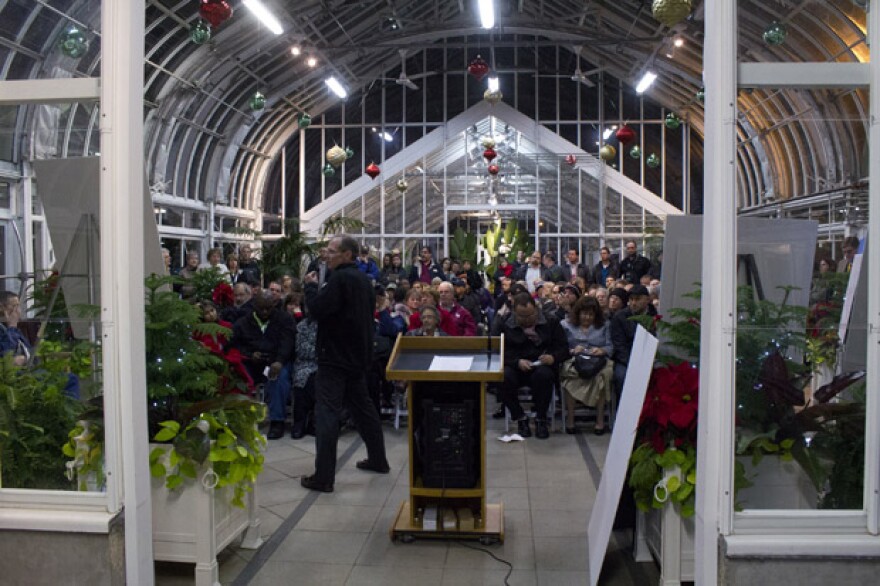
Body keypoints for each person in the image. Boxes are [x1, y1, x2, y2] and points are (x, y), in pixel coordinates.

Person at [302, 235, 390, 492]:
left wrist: (310, 287)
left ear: (347, 255)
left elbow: (317, 310)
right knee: (363, 410)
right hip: (357, 357)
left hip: (335, 358)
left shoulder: (339, 279)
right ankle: (378, 459)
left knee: (327, 414)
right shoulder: (363, 279)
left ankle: (323, 477)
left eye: (331, 251)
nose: (325, 255)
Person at [498, 292, 569, 439]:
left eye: (530, 315)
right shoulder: (505, 324)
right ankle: (519, 417)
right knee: (502, 377)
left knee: (544, 376)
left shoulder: (550, 321)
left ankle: (541, 418)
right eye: (522, 317)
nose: (527, 320)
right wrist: (517, 362)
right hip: (516, 366)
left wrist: (553, 357)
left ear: (536, 309)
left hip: (541, 365)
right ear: (514, 313)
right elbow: (499, 352)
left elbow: (563, 348)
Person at [227, 293, 295, 439]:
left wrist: (279, 360)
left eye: (268, 309)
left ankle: (277, 421)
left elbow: (288, 342)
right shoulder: (243, 323)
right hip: (252, 362)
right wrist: (250, 354)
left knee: (278, 379)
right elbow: (234, 345)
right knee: (237, 377)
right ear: (254, 307)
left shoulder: (284, 319)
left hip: (276, 362)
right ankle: (241, 420)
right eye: (261, 309)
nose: (265, 312)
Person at [559, 296, 613, 435]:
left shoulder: (605, 325)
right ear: (578, 313)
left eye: (591, 314)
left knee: (602, 377)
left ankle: (599, 421)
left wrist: (602, 350)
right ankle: (570, 420)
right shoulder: (565, 325)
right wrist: (572, 350)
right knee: (569, 376)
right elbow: (560, 348)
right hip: (575, 359)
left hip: (598, 360)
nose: (587, 317)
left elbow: (611, 347)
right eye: (584, 314)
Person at [610, 284, 653, 403]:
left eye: (638, 299)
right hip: (626, 360)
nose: (634, 303)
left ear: (647, 300)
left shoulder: (655, 316)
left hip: (650, 359)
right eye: (631, 299)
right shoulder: (620, 317)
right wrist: (633, 364)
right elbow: (619, 345)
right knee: (621, 377)